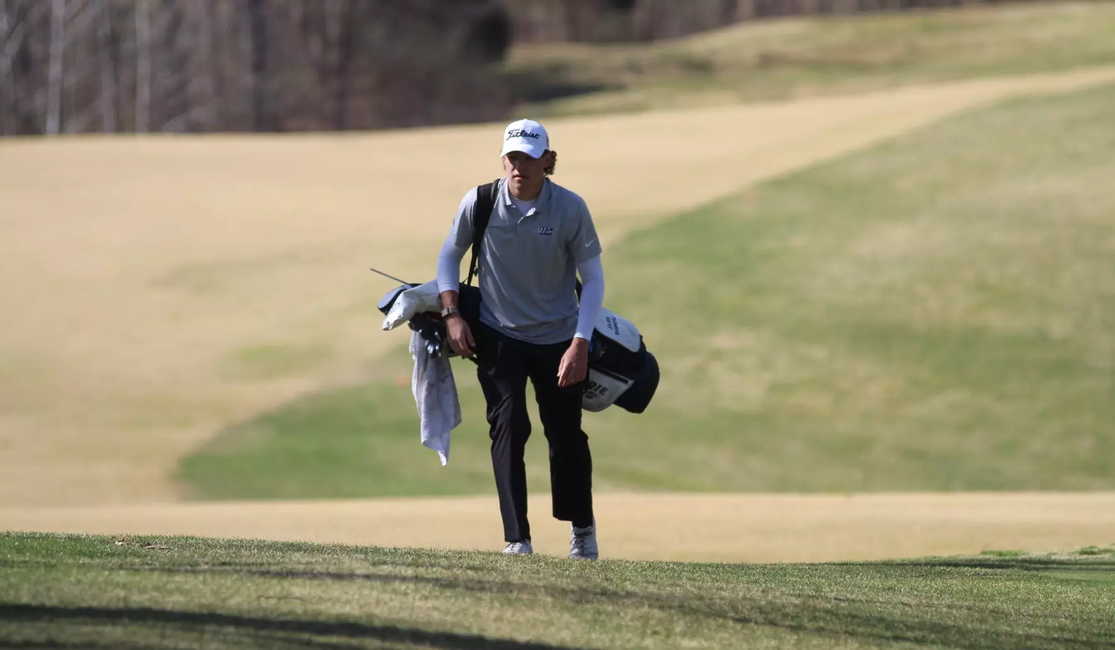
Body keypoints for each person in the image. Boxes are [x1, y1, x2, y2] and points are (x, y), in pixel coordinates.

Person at [435, 118, 605, 560]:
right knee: (508, 428)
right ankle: (517, 540)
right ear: (503, 159)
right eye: (512, 157)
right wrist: (452, 315)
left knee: (565, 437)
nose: (519, 166)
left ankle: (582, 529)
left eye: (530, 158)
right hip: (499, 335)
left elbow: (594, 279)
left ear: (548, 161)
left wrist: (580, 342)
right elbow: (448, 256)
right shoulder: (481, 201)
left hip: (558, 339)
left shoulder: (570, 208)